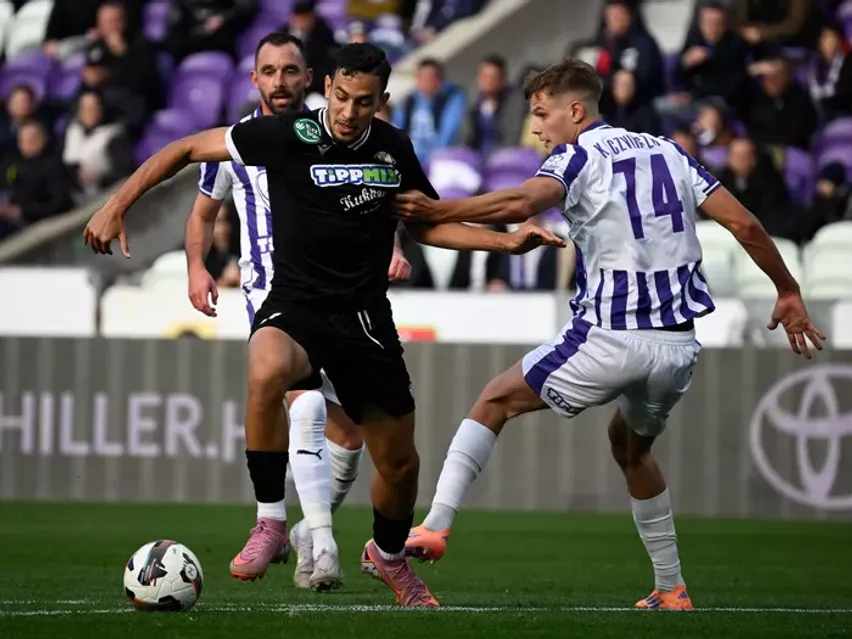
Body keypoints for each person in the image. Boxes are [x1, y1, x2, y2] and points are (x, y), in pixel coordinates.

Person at [82, 42, 565, 608]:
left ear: (381, 100)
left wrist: (505, 243)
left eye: (363, 102)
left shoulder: (393, 148)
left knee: (400, 464)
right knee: (267, 368)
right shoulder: (288, 134)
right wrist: (116, 204)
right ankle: (270, 520)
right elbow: (186, 147)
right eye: (341, 97)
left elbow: (427, 224)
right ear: (328, 87)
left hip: (364, 317)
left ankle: (387, 555)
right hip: (296, 304)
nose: (348, 112)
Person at [394, 58, 824, 610]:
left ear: (576, 111)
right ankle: (671, 588)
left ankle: (435, 526)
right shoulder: (670, 151)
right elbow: (743, 222)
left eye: (542, 114)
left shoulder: (576, 156)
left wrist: (438, 208)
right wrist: (787, 290)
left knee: (494, 401)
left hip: (612, 336)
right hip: (677, 348)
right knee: (631, 446)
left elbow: (521, 202)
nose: (536, 128)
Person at [184, 32, 414, 592]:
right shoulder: (239, 141)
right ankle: (312, 542)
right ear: (254, 79)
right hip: (273, 290)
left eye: (290, 70)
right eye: (269, 71)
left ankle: (308, 531)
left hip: (341, 294)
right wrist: (196, 267)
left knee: (350, 435)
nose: (280, 81)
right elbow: (203, 212)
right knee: (303, 402)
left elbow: (372, 198)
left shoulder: (329, 131)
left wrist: (393, 245)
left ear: (311, 78)